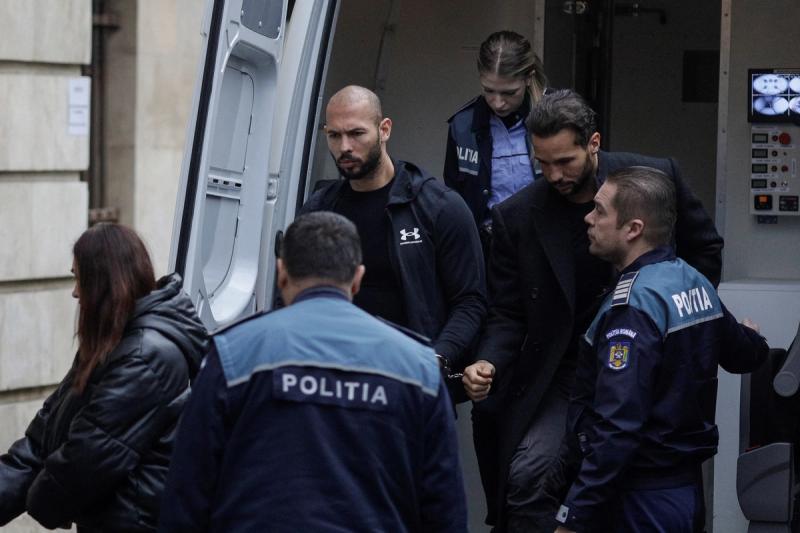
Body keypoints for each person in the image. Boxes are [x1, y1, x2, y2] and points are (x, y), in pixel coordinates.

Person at [462, 89, 725, 532]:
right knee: (530, 476)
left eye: (565, 161)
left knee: (651, 473)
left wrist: (683, 321)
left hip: (654, 360)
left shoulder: (654, 179)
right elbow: (507, 312)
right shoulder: (519, 216)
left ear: (594, 143)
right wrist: (487, 359)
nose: (553, 175)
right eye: (541, 163)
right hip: (569, 370)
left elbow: (704, 254)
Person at [158, 211, 467, 532]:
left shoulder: (233, 354)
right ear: (357, 279)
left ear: (281, 273)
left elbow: (187, 494)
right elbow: (444, 510)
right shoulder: (417, 366)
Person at [552, 166, 768, 532]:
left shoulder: (633, 306)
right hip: (683, 491)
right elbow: (746, 355)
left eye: (601, 210)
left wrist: (574, 516)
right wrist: (753, 336)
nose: (588, 217)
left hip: (638, 498)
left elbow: (618, 426)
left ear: (633, 229)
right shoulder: (691, 280)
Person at [0, 223, 207, 532]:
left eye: (79, 278)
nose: (74, 292)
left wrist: (40, 501)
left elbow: (88, 456)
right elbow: (41, 441)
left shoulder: (146, 356)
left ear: (104, 282)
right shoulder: (113, 344)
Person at [301, 85, 487, 390]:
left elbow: (471, 300)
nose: (344, 146)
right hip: (334, 383)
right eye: (334, 135)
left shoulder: (438, 207)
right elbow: (294, 297)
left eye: (356, 133)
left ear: (384, 129)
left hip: (411, 384)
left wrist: (436, 359)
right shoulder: (319, 211)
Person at [444, 30, 548, 230]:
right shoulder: (463, 125)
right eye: (488, 90)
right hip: (488, 243)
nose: (498, 103)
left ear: (528, 78)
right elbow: (453, 195)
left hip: (543, 239)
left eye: (509, 93)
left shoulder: (556, 116)